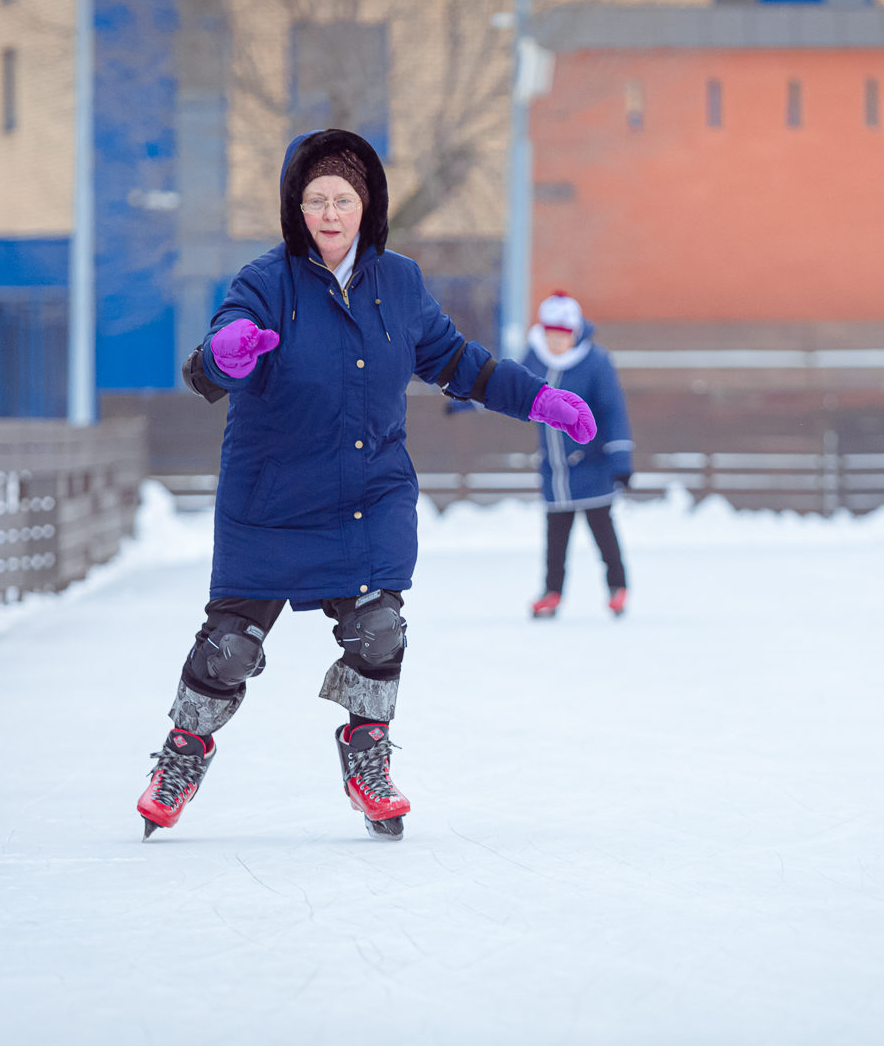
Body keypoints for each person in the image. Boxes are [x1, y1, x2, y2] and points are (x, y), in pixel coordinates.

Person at [137, 129, 596, 841]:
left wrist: (540, 400)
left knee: (381, 629)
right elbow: (209, 364)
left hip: (365, 493)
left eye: (342, 199)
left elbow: (460, 363)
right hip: (272, 497)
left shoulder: (401, 283)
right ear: (296, 206)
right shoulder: (265, 281)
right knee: (230, 648)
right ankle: (184, 750)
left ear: (366, 205)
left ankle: (367, 754)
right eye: (315, 199)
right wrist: (226, 355)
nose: (328, 212)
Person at [521, 291, 633, 620]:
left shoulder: (595, 362)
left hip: (593, 466)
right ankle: (552, 592)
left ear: (575, 333)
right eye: (550, 336)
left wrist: (621, 462)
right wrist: (463, 400)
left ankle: (617, 586)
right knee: (556, 538)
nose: (555, 343)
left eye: (562, 336)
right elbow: (508, 387)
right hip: (555, 472)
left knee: (602, 531)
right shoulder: (535, 358)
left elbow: (613, 412)